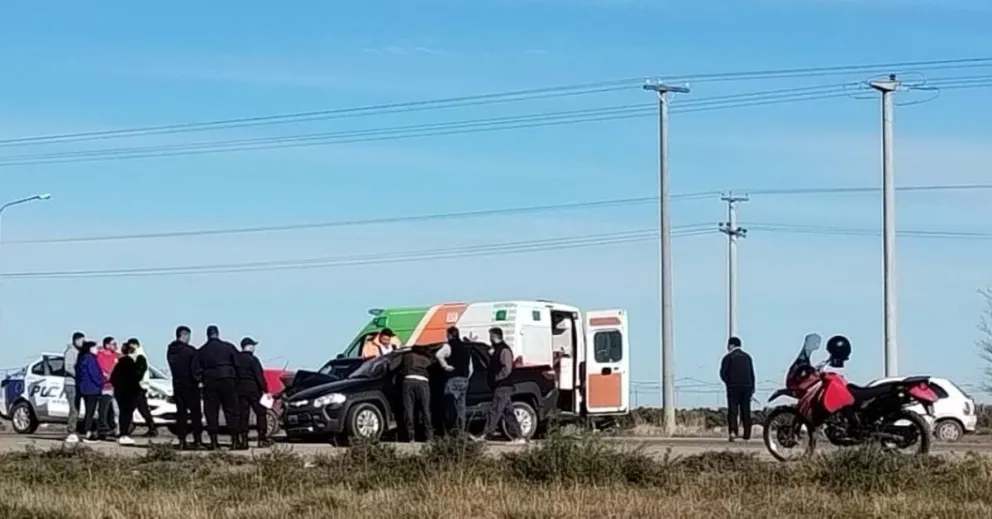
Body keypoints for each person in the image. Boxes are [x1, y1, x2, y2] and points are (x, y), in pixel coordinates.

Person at [193, 325, 241, 450]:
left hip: (210, 382)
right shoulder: (228, 347)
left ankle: (214, 442)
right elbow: (238, 364)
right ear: (218, 334)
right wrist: (235, 379)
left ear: (207, 335)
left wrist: (201, 380)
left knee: (211, 412)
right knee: (231, 411)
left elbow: (195, 370)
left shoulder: (202, 351)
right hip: (228, 381)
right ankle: (235, 441)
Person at [477, 327, 524, 444]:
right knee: (508, 412)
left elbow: (507, 368)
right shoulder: (497, 349)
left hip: (503, 386)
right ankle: (519, 436)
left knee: (494, 410)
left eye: (490, 336)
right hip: (500, 386)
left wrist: (496, 378)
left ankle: (485, 434)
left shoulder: (504, 350)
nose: (489, 339)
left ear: (494, 336)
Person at [167, 325, 203, 450]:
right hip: (190, 385)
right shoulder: (190, 351)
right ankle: (197, 440)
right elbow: (196, 370)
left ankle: (182, 440)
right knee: (195, 413)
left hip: (177, 383)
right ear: (185, 335)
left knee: (181, 413)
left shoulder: (170, 350)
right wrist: (199, 380)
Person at [234, 337, 272, 449]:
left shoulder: (236, 359)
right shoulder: (253, 359)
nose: (254, 348)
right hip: (254, 390)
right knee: (261, 413)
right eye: (253, 345)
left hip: (240, 390)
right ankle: (262, 439)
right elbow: (259, 376)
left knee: (243, 416)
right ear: (249, 346)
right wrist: (265, 390)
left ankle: (244, 441)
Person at [435, 326, 472, 434]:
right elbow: (470, 367)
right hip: (464, 380)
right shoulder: (466, 348)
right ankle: (461, 430)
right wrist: (467, 376)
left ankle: (451, 431)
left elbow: (438, 355)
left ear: (449, 335)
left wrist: (445, 366)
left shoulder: (448, 346)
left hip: (453, 379)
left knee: (450, 407)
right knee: (461, 407)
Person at [719, 336, 755, 442]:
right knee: (746, 410)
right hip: (747, 387)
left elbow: (722, 373)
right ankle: (747, 434)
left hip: (733, 387)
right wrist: (752, 387)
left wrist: (728, 382)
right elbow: (752, 374)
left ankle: (733, 432)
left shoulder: (728, 357)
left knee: (733, 411)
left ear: (731, 345)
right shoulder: (747, 357)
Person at [400, 341, 434, 442]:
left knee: (409, 409)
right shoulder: (427, 359)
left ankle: (411, 436)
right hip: (423, 382)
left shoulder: (407, 355)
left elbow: (392, 366)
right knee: (425, 409)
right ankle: (429, 436)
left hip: (408, 380)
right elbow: (434, 366)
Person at [110, 342, 142, 446]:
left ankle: (121, 433)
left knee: (122, 414)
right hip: (129, 392)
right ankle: (124, 434)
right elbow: (134, 379)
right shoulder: (130, 363)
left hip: (119, 392)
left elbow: (113, 379)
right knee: (127, 414)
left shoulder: (119, 364)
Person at [128, 338, 159, 437]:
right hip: (141, 386)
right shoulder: (138, 355)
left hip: (138, 386)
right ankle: (152, 428)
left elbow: (139, 372)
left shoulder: (138, 356)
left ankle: (125, 428)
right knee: (142, 408)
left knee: (131, 408)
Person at [75, 340, 105, 444]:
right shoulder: (90, 359)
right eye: (95, 348)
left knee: (89, 411)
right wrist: (101, 383)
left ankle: (87, 431)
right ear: (90, 348)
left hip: (84, 388)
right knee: (90, 412)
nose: (97, 350)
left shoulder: (82, 358)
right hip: (92, 389)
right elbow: (94, 374)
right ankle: (87, 432)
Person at [95, 337, 119, 440]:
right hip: (104, 386)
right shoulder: (100, 356)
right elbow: (98, 368)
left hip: (114, 386)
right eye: (113, 344)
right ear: (107, 345)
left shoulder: (116, 356)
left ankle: (112, 427)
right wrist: (105, 375)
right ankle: (102, 429)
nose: (115, 346)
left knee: (111, 410)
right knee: (103, 409)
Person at [63, 332, 85, 443]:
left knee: (77, 408)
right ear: (76, 340)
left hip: (77, 384)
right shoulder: (71, 352)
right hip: (71, 384)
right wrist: (79, 376)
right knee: (74, 409)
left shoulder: (79, 352)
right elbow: (68, 367)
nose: (83, 343)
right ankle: (71, 431)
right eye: (81, 341)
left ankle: (75, 430)